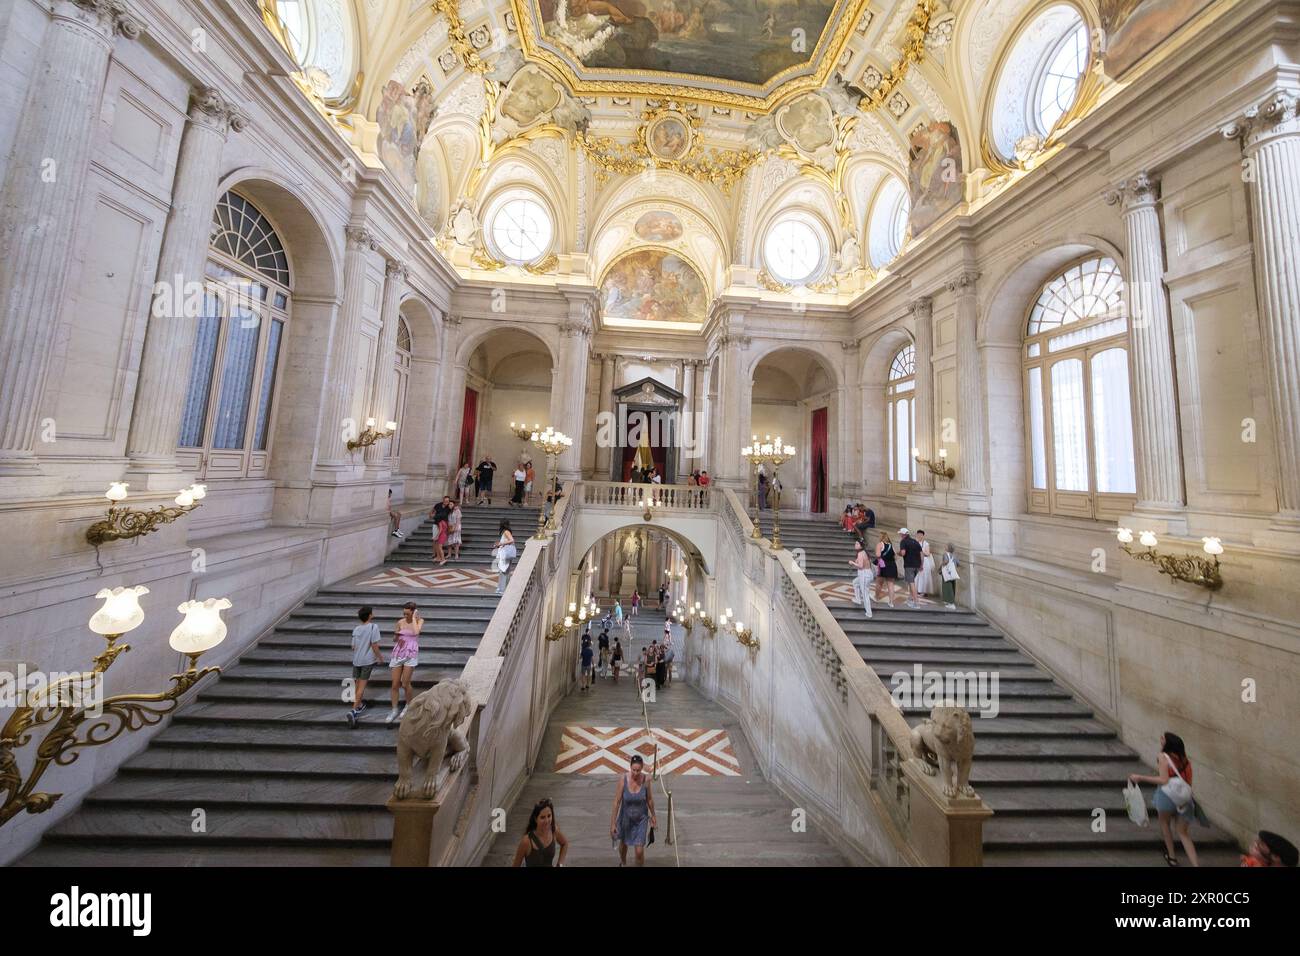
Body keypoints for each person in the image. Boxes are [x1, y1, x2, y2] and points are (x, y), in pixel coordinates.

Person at [1127, 732, 1200, 867]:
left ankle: (1172, 857)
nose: (1160, 739)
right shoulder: (1186, 760)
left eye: (1163, 738)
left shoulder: (1163, 757)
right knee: (1183, 833)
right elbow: (1188, 783)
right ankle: (1196, 865)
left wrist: (1140, 777)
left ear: (1168, 743)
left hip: (1166, 797)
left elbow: (1163, 780)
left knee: (1165, 824)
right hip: (1185, 800)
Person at [610, 754, 657, 867]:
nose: (636, 773)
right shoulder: (623, 780)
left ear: (641, 769)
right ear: (630, 767)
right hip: (625, 818)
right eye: (634, 770)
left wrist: (654, 816)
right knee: (623, 844)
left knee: (639, 851)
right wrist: (613, 823)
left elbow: (649, 799)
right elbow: (616, 801)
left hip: (641, 819)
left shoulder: (645, 780)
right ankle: (623, 862)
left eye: (638, 770)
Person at [347, 605, 383, 727]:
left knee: (357, 684)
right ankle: (353, 711)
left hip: (356, 660)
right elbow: (374, 645)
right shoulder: (374, 627)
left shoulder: (356, 629)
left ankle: (359, 704)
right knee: (362, 686)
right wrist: (379, 657)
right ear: (369, 615)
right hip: (366, 661)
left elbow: (353, 647)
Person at [387, 602, 422, 724]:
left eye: (408, 613)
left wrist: (413, 619)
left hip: (410, 653)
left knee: (405, 683)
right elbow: (394, 639)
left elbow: (416, 632)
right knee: (395, 684)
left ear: (413, 612)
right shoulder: (400, 622)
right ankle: (394, 709)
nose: (405, 615)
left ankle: (408, 706)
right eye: (404, 613)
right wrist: (396, 636)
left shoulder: (419, 621)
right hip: (398, 652)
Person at [511, 799, 569, 867]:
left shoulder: (553, 830)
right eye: (542, 817)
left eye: (549, 816)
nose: (547, 821)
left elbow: (565, 843)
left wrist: (560, 864)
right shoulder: (526, 841)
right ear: (536, 819)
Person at [898, 528, 923, 609]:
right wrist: (921, 565)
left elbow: (903, 553)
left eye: (900, 534)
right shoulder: (915, 542)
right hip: (917, 565)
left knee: (911, 583)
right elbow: (921, 554)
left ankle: (916, 602)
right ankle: (911, 598)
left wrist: (898, 553)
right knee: (911, 582)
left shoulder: (903, 541)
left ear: (903, 534)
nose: (900, 535)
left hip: (909, 565)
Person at [850, 539, 874, 619]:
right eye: (855, 543)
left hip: (864, 575)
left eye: (857, 544)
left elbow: (860, 566)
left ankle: (869, 613)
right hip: (867, 574)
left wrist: (852, 563)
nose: (855, 545)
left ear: (861, 546)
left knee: (865, 594)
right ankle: (858, 599)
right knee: (855, 583)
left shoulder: (860, 554)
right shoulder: (864, 553)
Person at [874, 531, 898, 606]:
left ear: (881, 537)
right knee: (890, 584)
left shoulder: (880, 544)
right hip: (892, 565)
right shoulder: (891, 545)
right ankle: (891, 602)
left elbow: (878, 555)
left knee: (879, 583)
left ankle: (876, 597)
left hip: (883, 565)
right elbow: (896, 557)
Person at [492, 520, 516, 594]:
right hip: (506, 554)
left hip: (505, 554)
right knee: (506, 571)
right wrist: (499, 544)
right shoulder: (506, 532)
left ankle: (501, 589)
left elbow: (512, 540)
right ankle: (505, 588)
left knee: (503, 571)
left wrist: (500, 544)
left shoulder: (506, 532)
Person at [915, 530, 936, 598]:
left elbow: (928, 553)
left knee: (924, 576)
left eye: (921, 535)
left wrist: (920, 551)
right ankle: (918, 590)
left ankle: (924, 592)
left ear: (923, 536)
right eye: (918, 535)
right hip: (918, 561)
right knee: (918, 576)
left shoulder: (926, 543)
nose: (919, 536)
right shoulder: (915, 542)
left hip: (925, 561)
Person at [940, 543, 960, 609]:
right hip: (953, 573)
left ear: (948, 548)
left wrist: (941, 565)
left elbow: (946, 561)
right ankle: (949, 601)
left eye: (946, 546)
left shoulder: (945, 554)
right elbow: (958, 564)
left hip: (946, 573)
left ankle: (950, 603)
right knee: (952, 586)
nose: (945, 547)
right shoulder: (955, 555)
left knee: (947, 587)